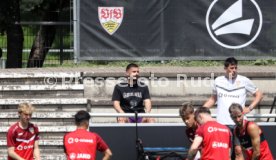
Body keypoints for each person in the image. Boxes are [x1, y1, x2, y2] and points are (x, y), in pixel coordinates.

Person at [203, 57, 263, 159]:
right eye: (231, 68)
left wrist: (249, 108)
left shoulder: (244, 80)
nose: (234, 70)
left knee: (239, 150)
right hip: (222, 124)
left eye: (235, 68)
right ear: (225, 68)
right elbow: (213, 99)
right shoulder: (218, 81)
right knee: (225, 152)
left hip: (238, 123)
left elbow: (259, 94)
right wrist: (201, 110)